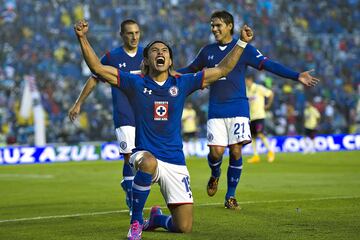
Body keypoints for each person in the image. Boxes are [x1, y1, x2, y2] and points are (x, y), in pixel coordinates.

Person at [74, 19, 255, 240]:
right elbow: (97, 68)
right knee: (148, 162)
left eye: (164, 51)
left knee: (184, 226)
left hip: (175, 161)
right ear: (147, 60)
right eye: (154, 51)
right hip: (144, 153)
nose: (160, 52)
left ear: (169, 61)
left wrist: (242, 43)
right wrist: (82, 38)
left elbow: (223, 68)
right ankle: (136, 222)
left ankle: (157, 219)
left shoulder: (183, 83)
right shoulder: (135, 83)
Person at [177, 10, 320, 210]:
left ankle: (230, 196)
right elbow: (190, 70)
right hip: (216, 108)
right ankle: (215, 174)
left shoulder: (244, 48)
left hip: (238, 106)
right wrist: (169, 73)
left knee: (236, 150)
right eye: (212, 25)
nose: (214, 29)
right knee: (216, 153)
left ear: (229, 26)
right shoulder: (207, 51)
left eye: (218, 25)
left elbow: (269, 65)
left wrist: (296, 76)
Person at [68, 19, 142, 214]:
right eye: (129, 33)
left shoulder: (147, 54)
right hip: (124, 113)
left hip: (144, 114)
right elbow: (94, 78)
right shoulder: (113, 57)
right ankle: (132, 196)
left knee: (142, 159)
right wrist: (78, 103)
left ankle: (129, 187)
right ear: (122, 35)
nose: (134, 37)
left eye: (137, 33)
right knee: (129, 157)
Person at [245, 74, 275, 163]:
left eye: (246, 80)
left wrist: (268, 105)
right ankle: (255, 156)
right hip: (251, 117)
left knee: (260, 134)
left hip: (260, 116)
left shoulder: (259, 88)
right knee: (253, 137)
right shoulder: (246, 90)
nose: (245, 82)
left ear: (250, 80)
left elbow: (271, 94)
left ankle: (270, 152)